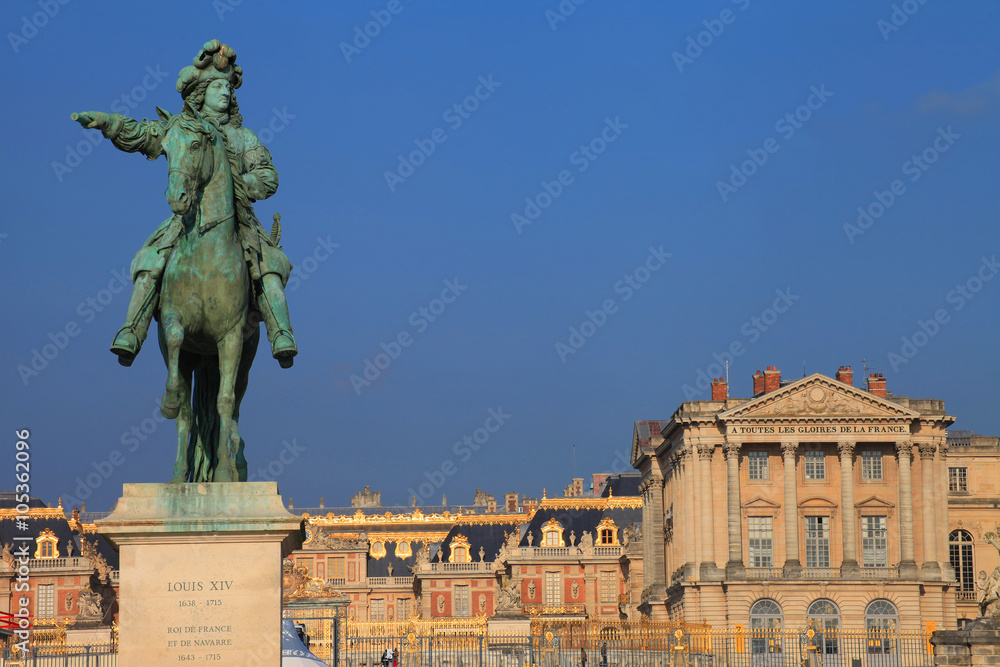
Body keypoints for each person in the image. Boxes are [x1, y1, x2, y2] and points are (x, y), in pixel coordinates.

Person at [73, 40, 297, 368]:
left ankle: (281, 331)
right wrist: (108, 123)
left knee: (271, 267)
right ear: (200, 93)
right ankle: (132, 329)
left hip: (238, 221)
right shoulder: (179, 127)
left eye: (227, 87)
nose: (225, 93)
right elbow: (142, 134)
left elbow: (268, 175)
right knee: (150, 260)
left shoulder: (243, 138)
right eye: (216, 86)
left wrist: (243, 185)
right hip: (186, 217)